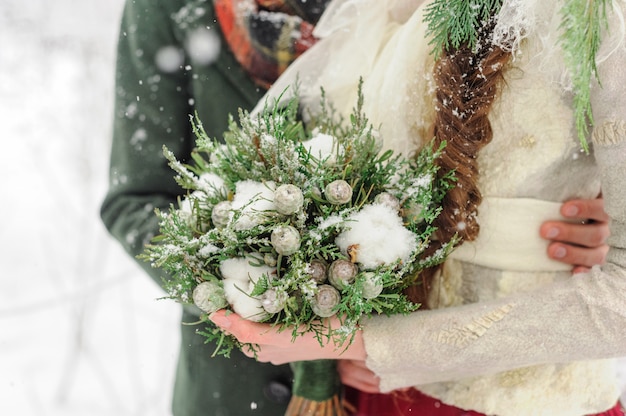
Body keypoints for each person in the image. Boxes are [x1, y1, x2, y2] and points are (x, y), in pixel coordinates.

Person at [100, 0, 614, 415]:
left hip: (436, 375)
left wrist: (560, 210)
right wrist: (251, 294)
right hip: (242, 387)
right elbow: (138, 200)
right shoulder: (167, 9)